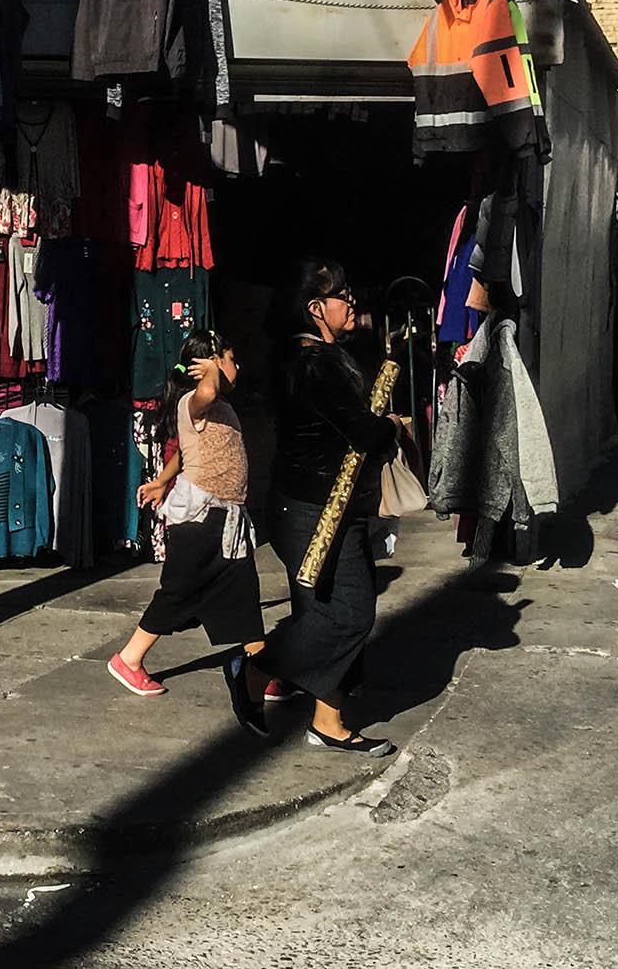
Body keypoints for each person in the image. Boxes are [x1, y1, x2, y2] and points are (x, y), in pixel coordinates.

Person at [232, 260, 405, 757]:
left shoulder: (300, 356)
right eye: (342, 296)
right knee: (350, 614)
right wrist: (392, 425)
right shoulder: (317, 364)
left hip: (306, 508)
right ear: (315, 309)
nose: (351, 304)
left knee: (322, 611)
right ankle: (256, 667)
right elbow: (365, 433)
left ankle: (328, 721)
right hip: (316, 511)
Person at [106, 330, 275, 699]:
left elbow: (183, 453)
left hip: (226, 518)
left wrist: (161, 481)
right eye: (230, 359)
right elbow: (207, 393)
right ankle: (129, 659)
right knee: (177, 593)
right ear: (211, 364)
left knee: (245, 592)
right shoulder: (192, 402)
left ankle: (260, 671)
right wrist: (212, 367)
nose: (237, 366)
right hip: (200, 520)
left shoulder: (223, 409)